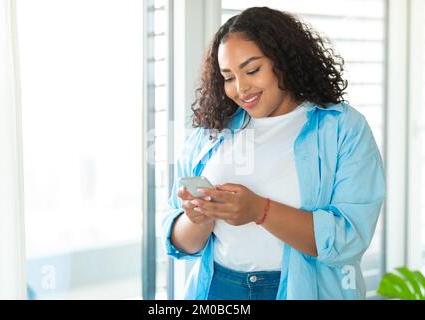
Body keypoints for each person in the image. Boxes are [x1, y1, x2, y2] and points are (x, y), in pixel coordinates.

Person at [162, 6, 386, 300]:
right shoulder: (212, 133)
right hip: (217, 290)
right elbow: (181, 244)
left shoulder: (342, 127)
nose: (241, 89)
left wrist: (260, 210)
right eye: (228, 77)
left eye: (252, 70)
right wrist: (198, 219)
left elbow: (349, 238)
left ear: (284, 61)